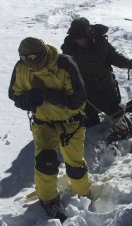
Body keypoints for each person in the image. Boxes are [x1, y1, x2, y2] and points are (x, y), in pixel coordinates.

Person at [8, 37, 91, 221]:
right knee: (45, 162)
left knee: (74, 163)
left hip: (71, 123)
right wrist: (29, 99)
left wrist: (45, 93)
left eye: (37, 60)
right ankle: (48, 199)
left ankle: (83, 193)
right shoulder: (21, 68)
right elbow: (14, 94)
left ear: (45, 54)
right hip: (43, 123)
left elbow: (78, 99)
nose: (34, 66)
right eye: (27, 60)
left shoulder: (64, 64)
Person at [61, 17, 132, 127]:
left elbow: (114, 57)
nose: (80, 40)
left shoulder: (101, 42)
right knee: (91, 123)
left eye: (83, 37)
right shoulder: (68, 50)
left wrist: (128, 63)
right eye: (77, 38)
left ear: (89, 33)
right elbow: (65, 72)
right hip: (87, 93)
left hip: (107, 86)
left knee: (117, 115)